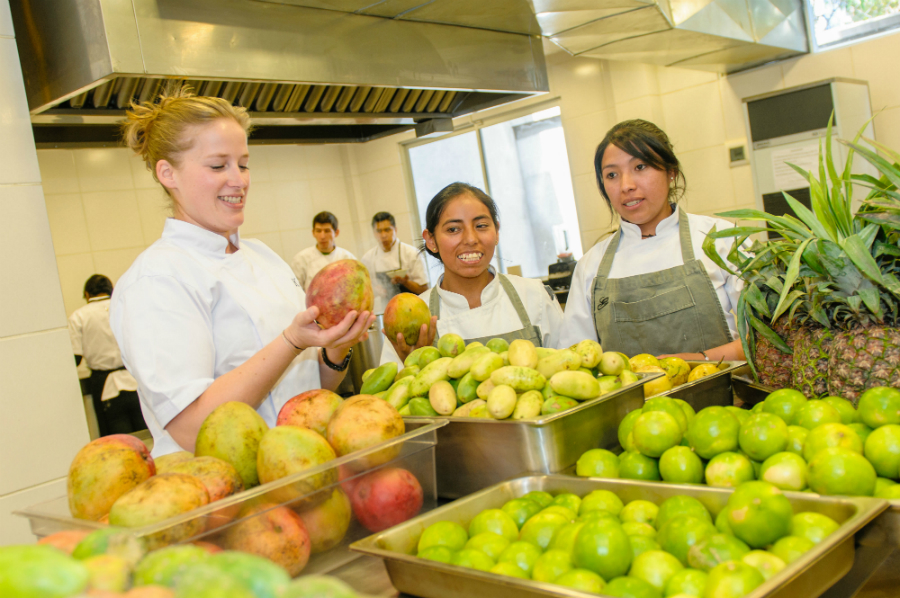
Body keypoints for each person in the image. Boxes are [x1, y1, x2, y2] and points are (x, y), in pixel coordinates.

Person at [110, 88, 374, 457]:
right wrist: (291, 342)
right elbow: (194, 428)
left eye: (243, 163)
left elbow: (311, 389)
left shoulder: (263, 257)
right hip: (222, 493)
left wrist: (335, 349)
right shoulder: (157, 280)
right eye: (218, 166)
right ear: (168, 173)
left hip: (299, 464)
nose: (239, 180)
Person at [558, 119, 745, 361]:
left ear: (671, 172)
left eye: (640, 167)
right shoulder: (590, 266)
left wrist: (696, 360)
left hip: (722, 395)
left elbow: (768, 338)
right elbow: (575, 359)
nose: (626, 186)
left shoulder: (720, 240)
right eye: (612, 174)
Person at [382, 183, 564, 364]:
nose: (470, 239)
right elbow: (389, 390)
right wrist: (413, 365)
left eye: (481, 225)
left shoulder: (535, 296)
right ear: (431, 240)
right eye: (453, 229)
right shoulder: (410, 316)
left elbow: (572, 367)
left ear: (497, 232)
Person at [69, 275, 145, 436]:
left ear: (87, 294)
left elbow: (75, 359)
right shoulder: (126, 308)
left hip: (103, 384)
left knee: (116, 439)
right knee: (145, 432)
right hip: (135, 379)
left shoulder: (78, 316)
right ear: (112, 291)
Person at [361, 211, 429, 314]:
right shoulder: (368, 259)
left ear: (395, 230)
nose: (383, 235)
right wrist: (376, 291)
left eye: (387, 230)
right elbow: (365, 293)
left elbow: (425, 290)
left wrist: (405, 282)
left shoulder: (412, 254)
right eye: (379, 231)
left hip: (413, 310)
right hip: (386, 312)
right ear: (374, 233)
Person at [290, 211, 357, 291]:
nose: (322, 236)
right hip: (311, 303)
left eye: (327, 231)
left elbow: (356, 287)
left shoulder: (348, 258)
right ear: (313, 233)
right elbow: (295, 288)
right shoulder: (301, 259)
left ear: (336, 233)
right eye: (318, 231)